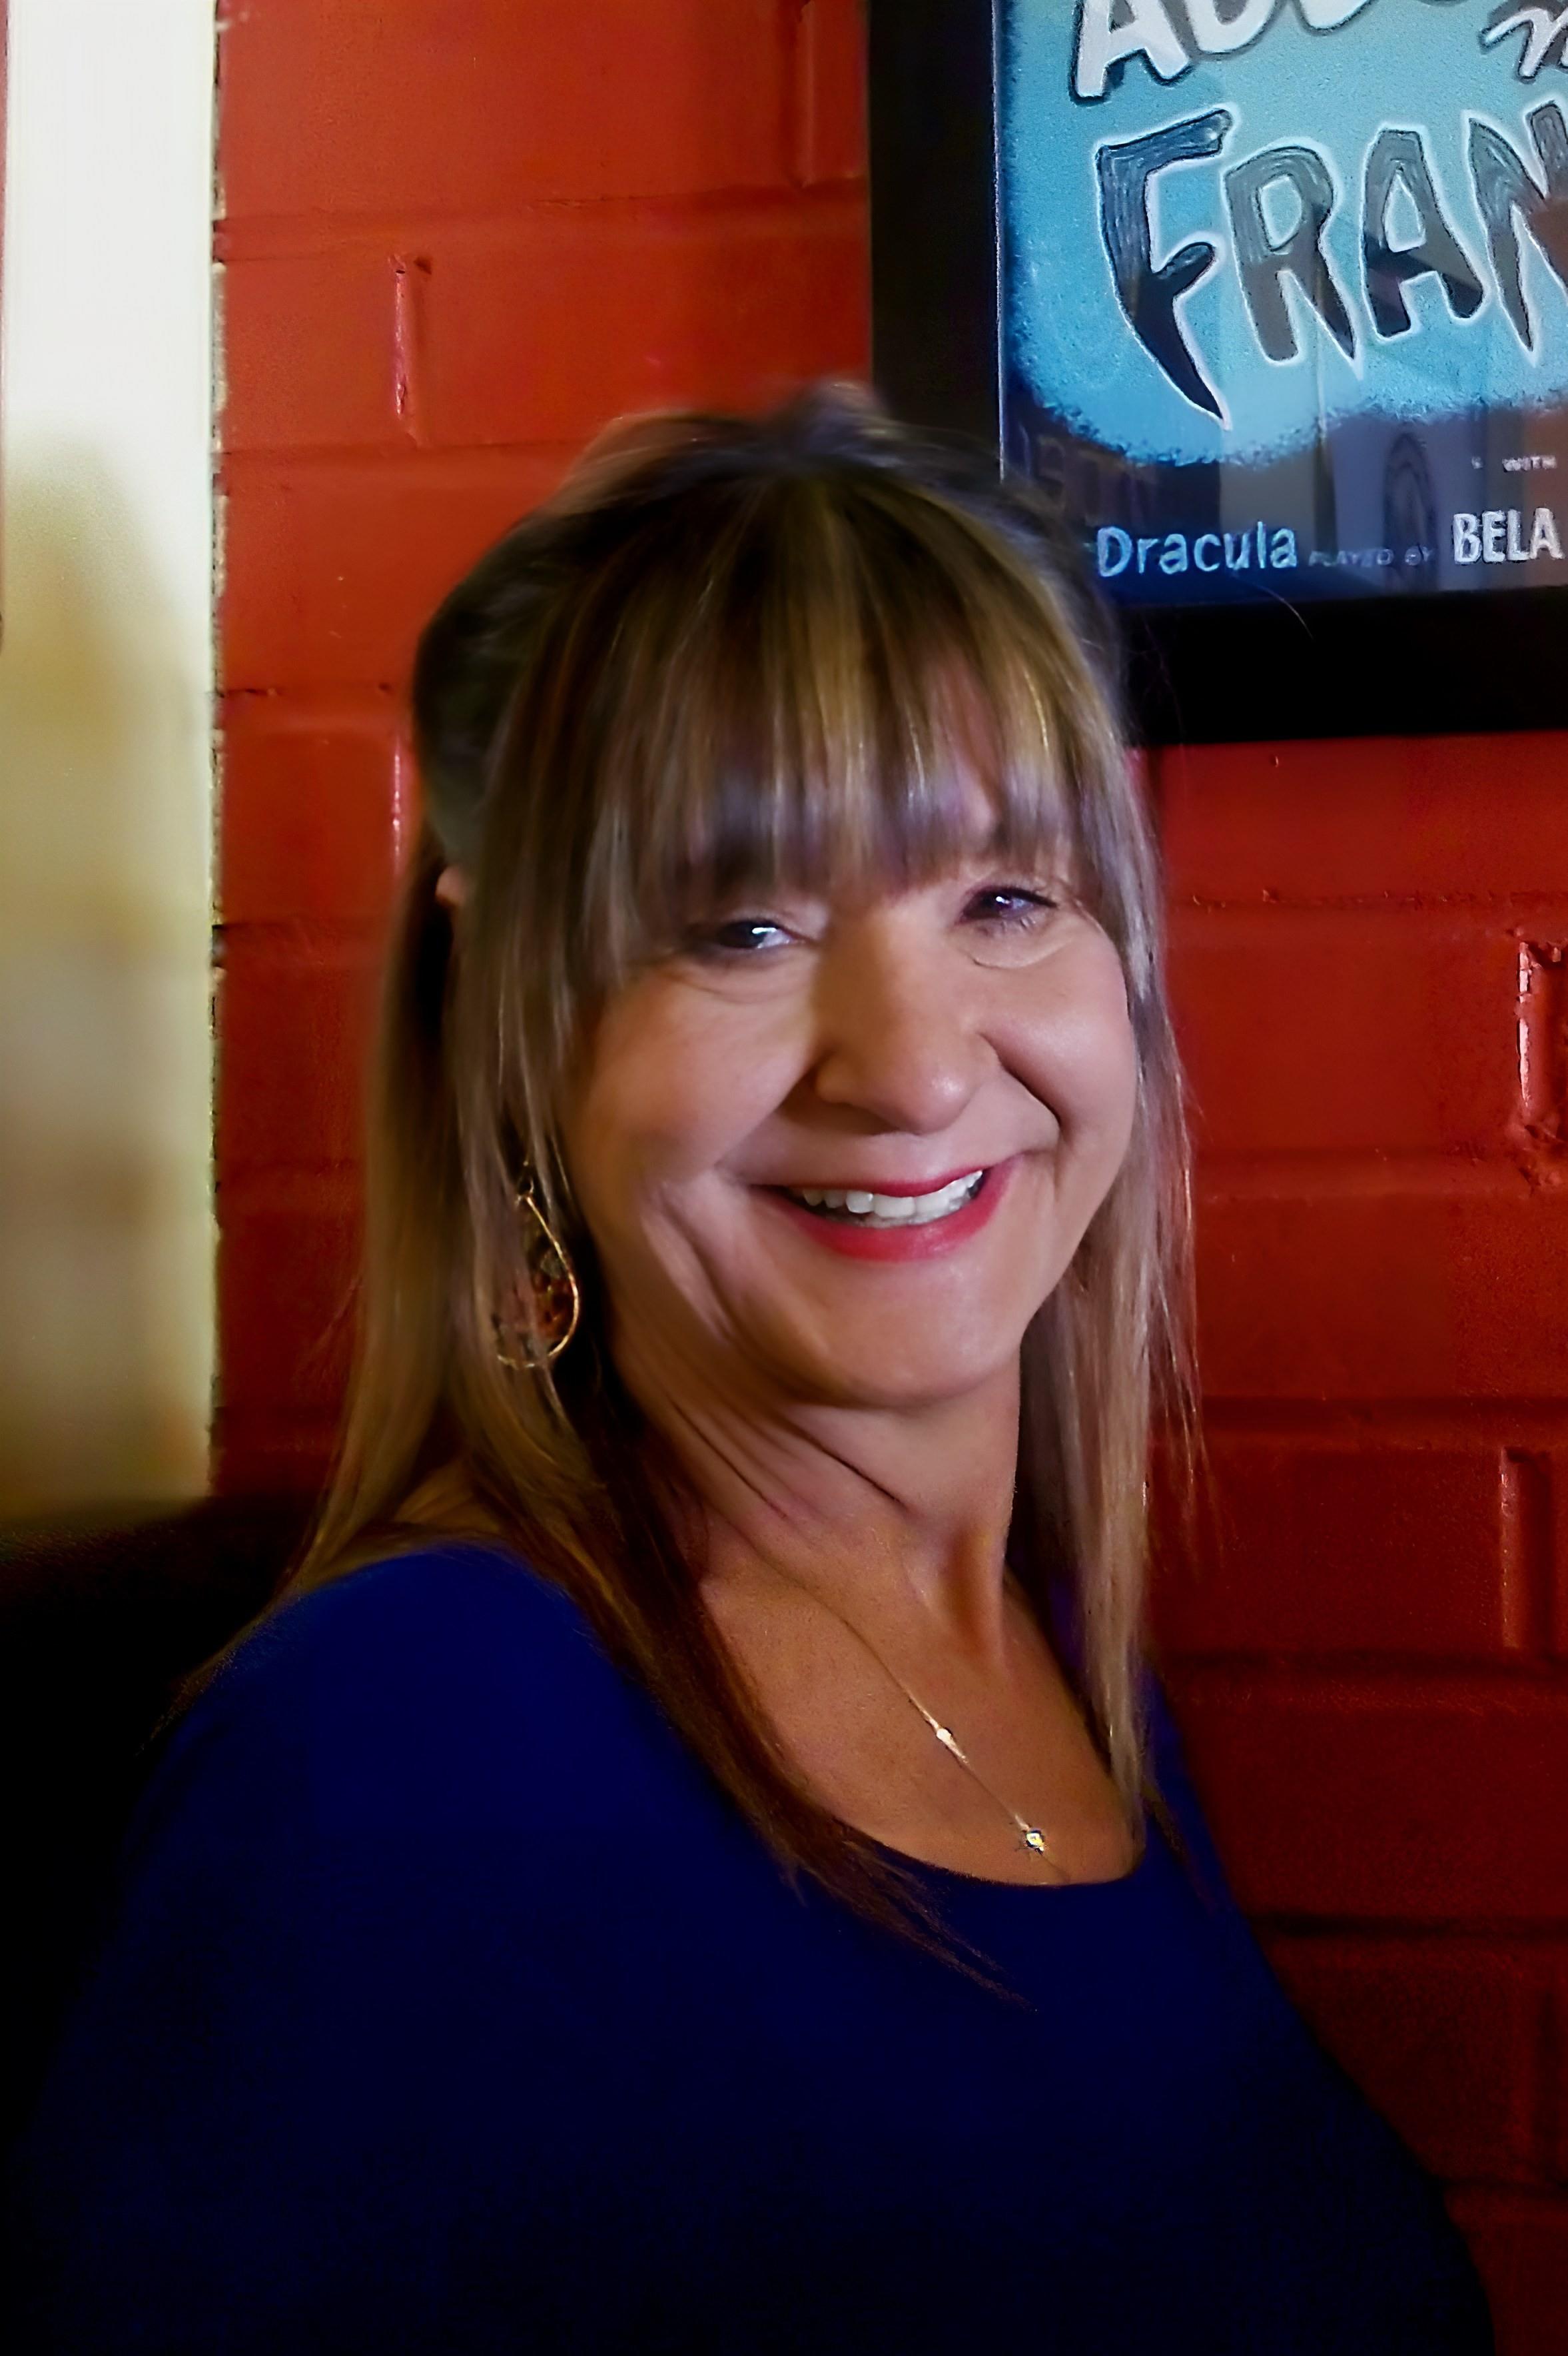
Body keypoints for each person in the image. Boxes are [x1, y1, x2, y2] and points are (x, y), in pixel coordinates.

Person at [3, 389, 1491, 2353]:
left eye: (1005, 899)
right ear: (522, 1037)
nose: (916, 1069)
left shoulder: (1052, 1648)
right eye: (744, 925)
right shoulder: (396, 1754)